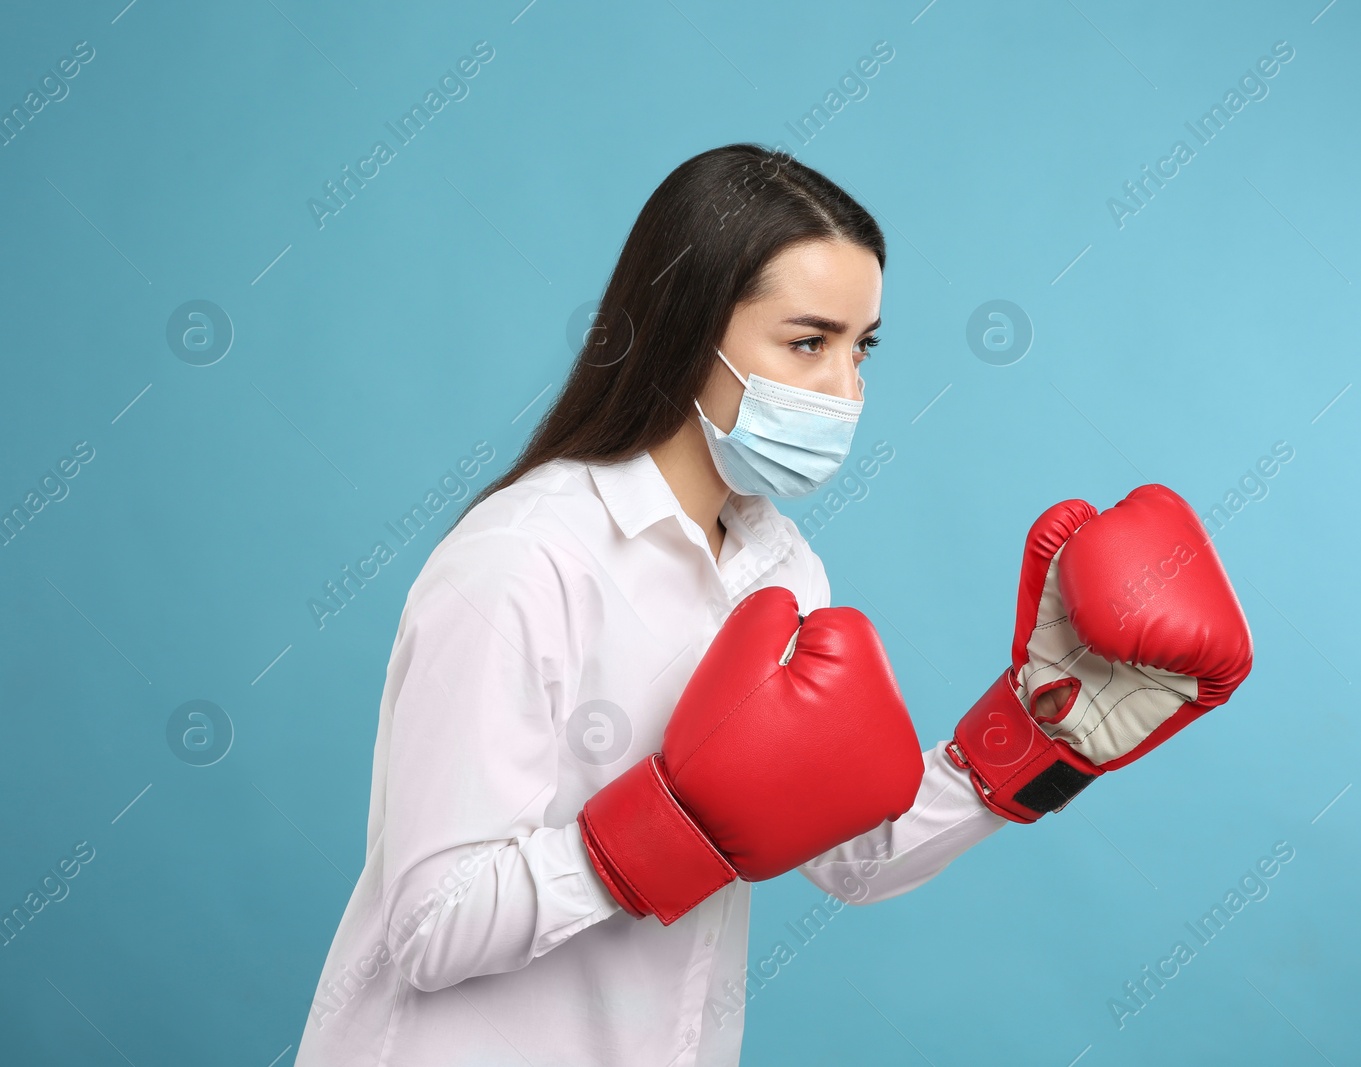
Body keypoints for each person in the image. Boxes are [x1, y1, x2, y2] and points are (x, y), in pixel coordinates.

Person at [292, 142, 1253, 1067]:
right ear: (686, 329)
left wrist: (1045, 732)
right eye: (808, 343)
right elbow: (429, 924)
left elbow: (853, 858)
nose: (846, 390)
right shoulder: (522, 560)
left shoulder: (779, 567)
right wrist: (672, 828)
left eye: (862, 348)